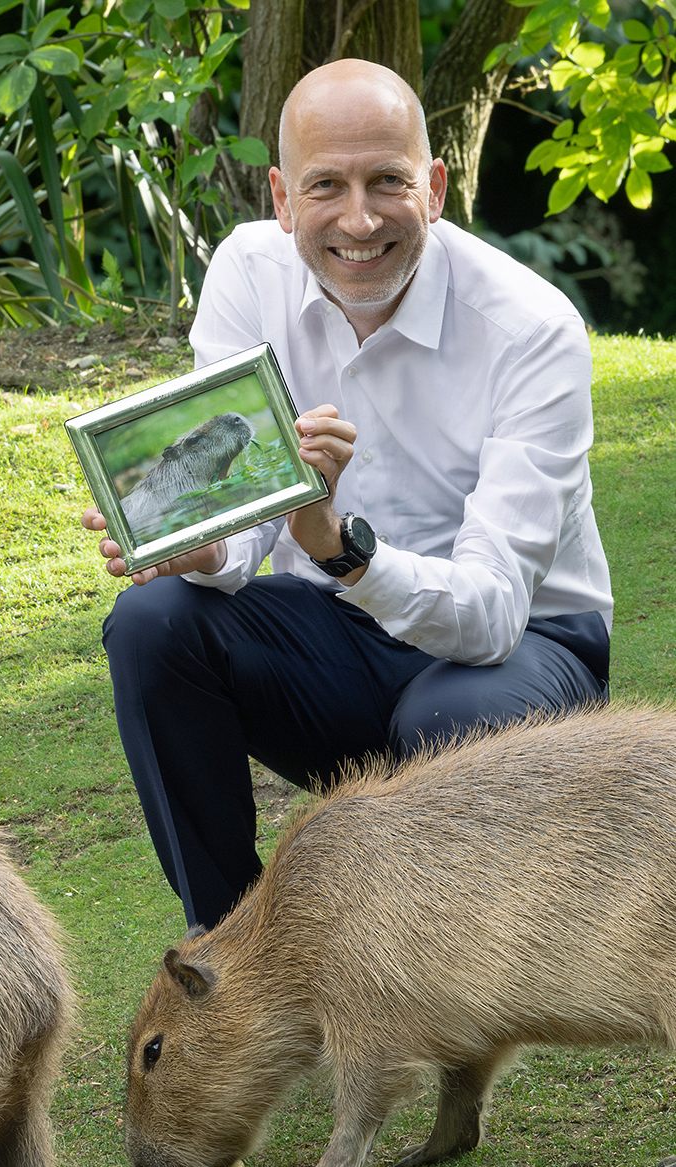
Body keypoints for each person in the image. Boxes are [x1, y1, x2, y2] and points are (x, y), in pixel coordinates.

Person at [83, 59, 612, 931]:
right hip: (336, 638)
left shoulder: (531, 330)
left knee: (443, 712)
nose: (359, 221)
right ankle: (231, 950)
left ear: (433, 188)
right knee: (153, 620)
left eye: (387, 182)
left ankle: (446, 969)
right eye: (326, 185)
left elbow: (489, 616)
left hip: (525, 651)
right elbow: (241, 539)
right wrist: (205, 548)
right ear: (281, 198)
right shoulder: (247, 272)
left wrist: (337, 545)